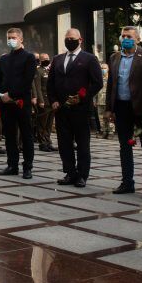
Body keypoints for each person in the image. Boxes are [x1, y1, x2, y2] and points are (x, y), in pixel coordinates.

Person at [105, 26, 142, 199]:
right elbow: (111, 85)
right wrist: (109, 108)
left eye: (129, 36)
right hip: (122, 108)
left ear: (137, 39)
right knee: (125, 146)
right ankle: (127, 182)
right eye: (122, 36)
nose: (125, 38)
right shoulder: (114, 57)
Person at [47, 27, 104, 188]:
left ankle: (82, 175)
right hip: (61, 109)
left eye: (72, 38)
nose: (69, 41)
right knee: (64, 143)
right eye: (67, 38)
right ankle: (70, 172)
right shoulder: (57, 59)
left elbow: (97, 83)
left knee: (82, 143)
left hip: (81, 108)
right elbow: (50, 83)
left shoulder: (89, 59)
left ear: (80, 40)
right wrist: (53, 100)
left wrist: (81, 96)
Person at [0, 28, 38, 179]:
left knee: (26, 135)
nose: (11, 40)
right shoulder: (4, 58)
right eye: (9, 37)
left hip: (21, 102)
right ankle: (12, 165)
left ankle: (27, 167)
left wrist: (12, 95)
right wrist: (2, 94)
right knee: (9, 135)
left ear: (21, 39)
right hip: (5, 102)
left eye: (13, 37)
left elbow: (27, 81)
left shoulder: (29, 57)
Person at [34, 53, 55, 151]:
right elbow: (38, 87)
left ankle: (48, 141)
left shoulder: (50, 70)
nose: (47, 60)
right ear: (40, 60)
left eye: (48, 58)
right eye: (44, 59)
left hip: (51, 101)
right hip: (44, 101)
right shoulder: (38, 71)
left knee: (49, 124)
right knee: (42, 123)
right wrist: (40, 100)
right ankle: (42, 143)